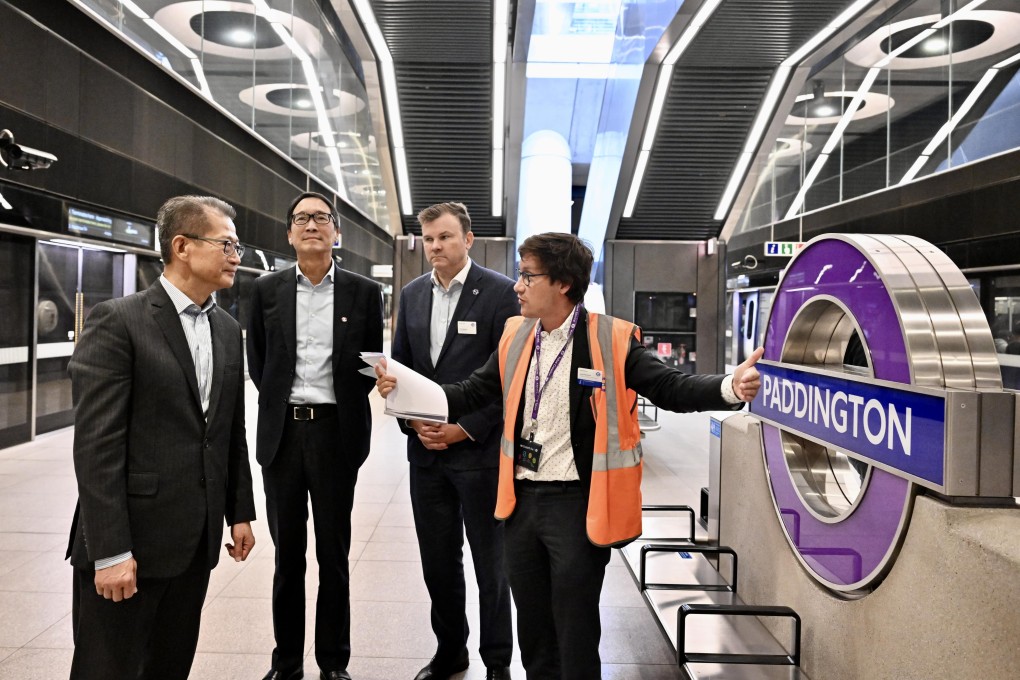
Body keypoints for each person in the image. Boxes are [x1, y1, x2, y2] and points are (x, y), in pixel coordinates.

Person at [376, 232, 763, 680]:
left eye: (528, 276)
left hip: (577, 507)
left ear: (562, 283)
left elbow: (669, 387)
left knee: (575, 630)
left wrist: (729, 388)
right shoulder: (516, 336)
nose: (517, 286)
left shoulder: (610, 339)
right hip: (520, 504)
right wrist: (407, 390)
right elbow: (472, 391)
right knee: (535, 631)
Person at [66, 195, 257, 680]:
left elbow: (228, 431)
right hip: (129, 546)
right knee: (107, 669)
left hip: (194, 544)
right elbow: (97, 446)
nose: (239, 255)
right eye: (228, 244)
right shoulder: (120, 321)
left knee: (169, 667)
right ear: (182, 246)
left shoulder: (226, 329)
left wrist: (239, 512)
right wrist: (110, 552)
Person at [247, 191, 384, 680]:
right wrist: (289, 401)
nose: (311, 225)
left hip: (335, 436)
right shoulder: (265, 290)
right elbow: (259, 364)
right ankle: (286, 664)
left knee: (334, 555)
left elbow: (369, 365)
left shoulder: (364, 293)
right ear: (289, 233)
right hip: (283, 435)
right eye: (301, 218)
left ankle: (333, 663)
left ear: (335, 232)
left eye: (321, 218)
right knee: (288, 557)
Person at [391, 203, 518, 680]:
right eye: (428, 240)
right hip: (425, 456)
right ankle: (451, 652)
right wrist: (414, 424)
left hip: (480, 455)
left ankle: (498, 663)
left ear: (468, 239)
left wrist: (465, 428)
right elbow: (403, 367)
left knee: (492, 567)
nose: (435, 247)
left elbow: (512, 379)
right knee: (438, 563)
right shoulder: (412, 293)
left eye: (444, 237)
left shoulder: (502, 295)